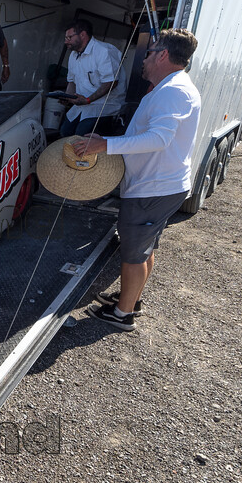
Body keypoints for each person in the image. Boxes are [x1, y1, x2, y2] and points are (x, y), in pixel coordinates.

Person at [72, 28, 201, 331]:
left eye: (150, 52)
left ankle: (122, 314)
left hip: (152, 188)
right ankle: (132, 298)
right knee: (145, 248)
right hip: (157, 185)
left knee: (133, 252)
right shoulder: (168, 87)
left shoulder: (174, 91)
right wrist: (106, 139)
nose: (144, 59)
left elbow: (157, 139)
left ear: (164, 56)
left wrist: (105, 146)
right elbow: (145, 134)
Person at [60, 20, 126, 138]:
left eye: (69, 37)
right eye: (66, 38)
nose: (66, 41)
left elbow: (111, 82)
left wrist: (88, 100)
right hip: (83, 106)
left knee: (81, 135)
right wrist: (67, 97)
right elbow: (72, 82)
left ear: (82, 35)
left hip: (104, 106)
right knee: (65, 133)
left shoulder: (103, 51)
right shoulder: (73, 55)